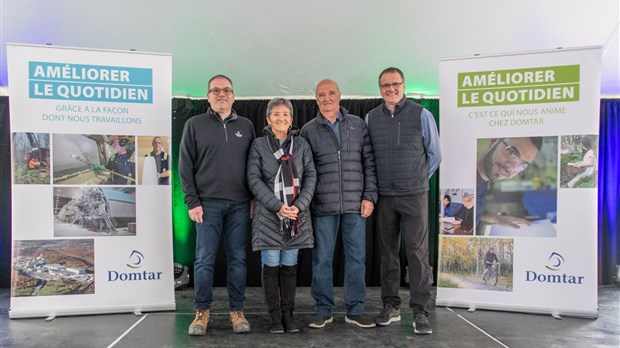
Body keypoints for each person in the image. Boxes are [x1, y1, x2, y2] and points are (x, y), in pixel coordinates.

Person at [366, 67, 441, 335]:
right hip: (385, 196)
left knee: (418, 253)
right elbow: (369, 158)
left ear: (404, 86)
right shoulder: (370, 118)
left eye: (395, 84)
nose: (391, 89)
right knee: (388, 254)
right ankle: (391, 306)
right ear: (380, 89)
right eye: (386, 85)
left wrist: (417, 179)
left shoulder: (422, 114)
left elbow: (435, 154)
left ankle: (420, 311)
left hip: (414, 195)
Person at [179, 74, 255, 336]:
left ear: (233, 95)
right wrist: (192, 201)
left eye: (226, 90)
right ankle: (202, 312)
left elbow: (253, 166)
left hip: (239, 205)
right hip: (206, 205)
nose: (221, 94)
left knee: (238, 261)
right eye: (216, 90)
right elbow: (185, 166)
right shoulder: (194, 124)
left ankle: (237, 311)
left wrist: (253, 198)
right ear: (208, 96)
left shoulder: (246, 126)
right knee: (204, 261)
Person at [300, 79, 378, 329]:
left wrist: (370, 196)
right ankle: (323, 309)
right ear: (316, 99)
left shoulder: (357, 124)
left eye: (331, 93)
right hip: (323, 206)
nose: (327, 98)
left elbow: (369, 163)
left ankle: (356, 309)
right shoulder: (308, 130)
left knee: (356, 257)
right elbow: (304, 171)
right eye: (321, 94)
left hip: (356, 204)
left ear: (340, 96)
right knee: (322, 259)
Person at [247, 98, 316, 334]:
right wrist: (277, 206)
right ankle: (274, 317)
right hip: (269, 216)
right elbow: (254, 180)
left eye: (285, 114)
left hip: (296, 216)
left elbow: (311, 178)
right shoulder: (258, 145)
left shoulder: (302, 145)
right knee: (271, 264)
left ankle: (289, 315)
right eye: (276, 114)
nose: (281, 118)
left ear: (292, 119)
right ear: (268, 119)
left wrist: (299, 205)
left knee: (289, 265)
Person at [476, 137, 543, 229]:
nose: (511, 167)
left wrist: (497, 219)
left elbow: (474, 211)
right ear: (494, 141)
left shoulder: (482, 180)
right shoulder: (456, 171)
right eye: (512, 153)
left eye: (522, 165)